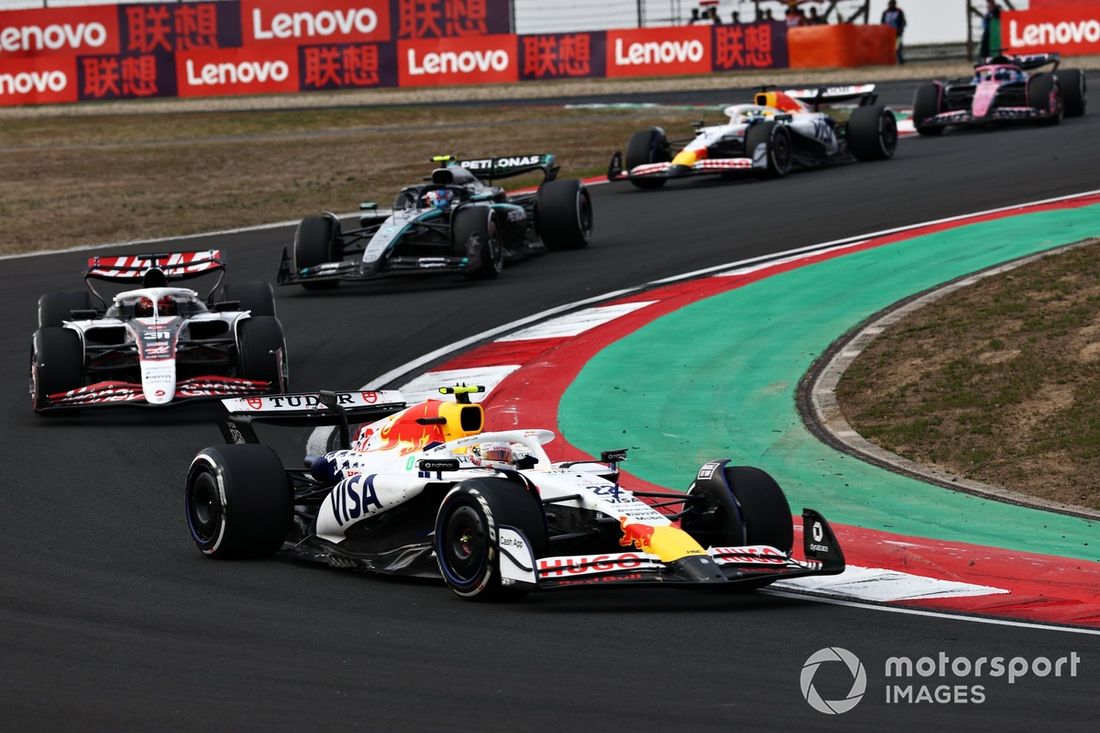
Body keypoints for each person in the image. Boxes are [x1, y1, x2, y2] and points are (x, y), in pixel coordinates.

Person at [881, 0, 907, 65]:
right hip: (887, 33)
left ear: (895, 4)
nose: (891, 5)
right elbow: (882, 23)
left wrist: (900, 29)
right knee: (887, 48)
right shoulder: (885, 12)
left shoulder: (899, 12)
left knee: (898, 48)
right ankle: (888, 62)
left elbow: (903, 22)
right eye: (890, 4)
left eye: (893, 3)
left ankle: (901, 61)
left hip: (897, 33)